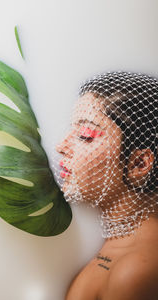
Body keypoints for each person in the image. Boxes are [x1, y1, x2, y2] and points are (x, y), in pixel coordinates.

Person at [55, 71, 158, 300]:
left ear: (139, 163)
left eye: (85, 135)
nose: (61, 146)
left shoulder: (135, 271)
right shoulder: (121, 244)